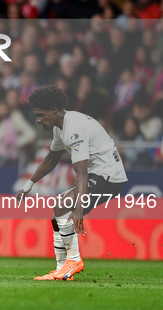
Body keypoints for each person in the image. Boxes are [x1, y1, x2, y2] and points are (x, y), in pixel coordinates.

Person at [16, 84, 127, 281]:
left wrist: (78, 209)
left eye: (41, 114)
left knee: (63, 206)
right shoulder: (60, 127)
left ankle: (74, 260)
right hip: (96, 174)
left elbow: (81, 172)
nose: (37, 119)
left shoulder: (74, 127)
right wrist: (29, 184)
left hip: (108, 176)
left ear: (55, 110)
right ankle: (62, 268)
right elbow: (51, 158)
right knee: (57, 216)